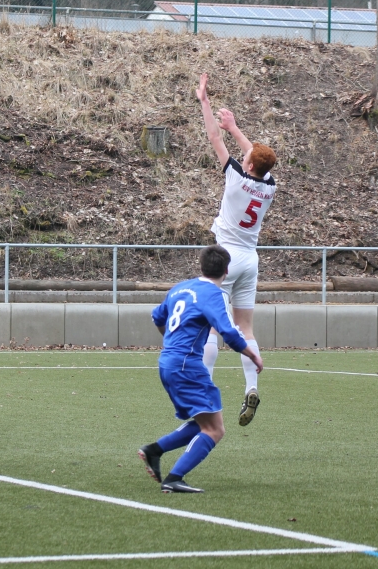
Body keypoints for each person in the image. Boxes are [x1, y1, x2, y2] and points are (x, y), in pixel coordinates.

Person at [139, 245, 263, 493]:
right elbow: (228, 332)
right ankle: (174, 478)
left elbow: (157, 317)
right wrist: (252, 354)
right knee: (215, 429)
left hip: (168, 362)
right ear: (226, 270)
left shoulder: (180, 288)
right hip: (187, 365)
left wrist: (170, 341)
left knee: (204, 421)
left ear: (201, 266)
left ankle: (154, 450)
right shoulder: (214, 294)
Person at [196, 73, 277, 427]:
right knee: (245, 329)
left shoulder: (235, 177)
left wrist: (205, 102)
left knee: (211, 327)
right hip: (250, 260)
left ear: (248, 165)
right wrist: (236, 128)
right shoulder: (269, 186)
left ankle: (204, 390)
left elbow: (213, 137)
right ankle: (251, 387)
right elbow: (255, 156)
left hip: (224, 258)